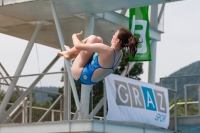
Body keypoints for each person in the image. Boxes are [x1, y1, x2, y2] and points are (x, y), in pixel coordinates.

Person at [58, 28, 139, 85]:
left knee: (92, 38)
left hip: (79, 74)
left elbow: (77, 45)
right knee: (98, 39)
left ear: (117, 41)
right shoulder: (120, 54)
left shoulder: (105, 49)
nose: (113, 35)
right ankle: (69, 54)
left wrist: (74, 36)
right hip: (91, 80)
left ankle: (69, 54)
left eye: (115, 34)